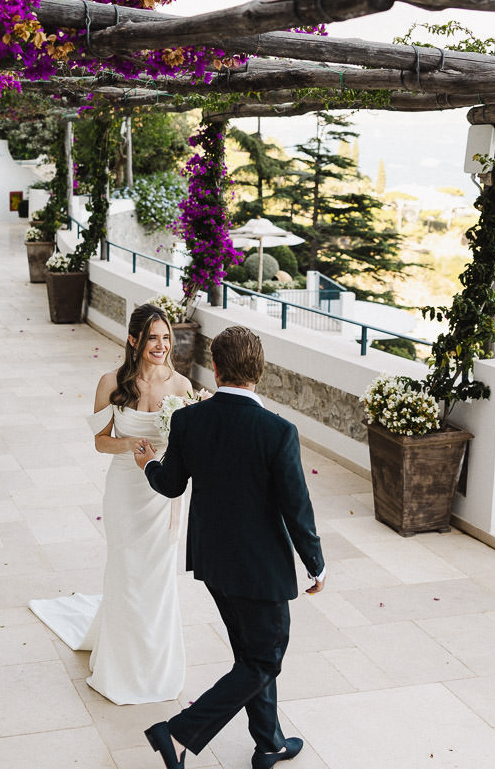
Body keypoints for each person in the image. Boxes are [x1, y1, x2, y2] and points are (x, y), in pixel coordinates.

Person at [134, 325, 326, 769]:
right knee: (264, 659)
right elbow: (296, 507)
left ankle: (269, 742)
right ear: (260, 370)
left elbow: (170, 485)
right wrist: (315, 564)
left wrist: (149, 464)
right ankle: (177, 733)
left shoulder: (188, 419)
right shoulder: (278, 432)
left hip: (213, 564)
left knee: (251, 653)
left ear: (215, 369)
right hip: (260, 571)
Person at [29, 303, 193, 704]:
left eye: (166, 337)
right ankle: (121, 667)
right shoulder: (110, 382)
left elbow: (190, 447)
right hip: (124, 490)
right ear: (135, 340)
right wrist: (130, 445)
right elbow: (100, 441)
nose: (161, 345)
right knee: (126, 572)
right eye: (153, 337)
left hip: (163, 497)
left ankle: (156, 666)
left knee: (157, 579)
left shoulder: (183, 387)